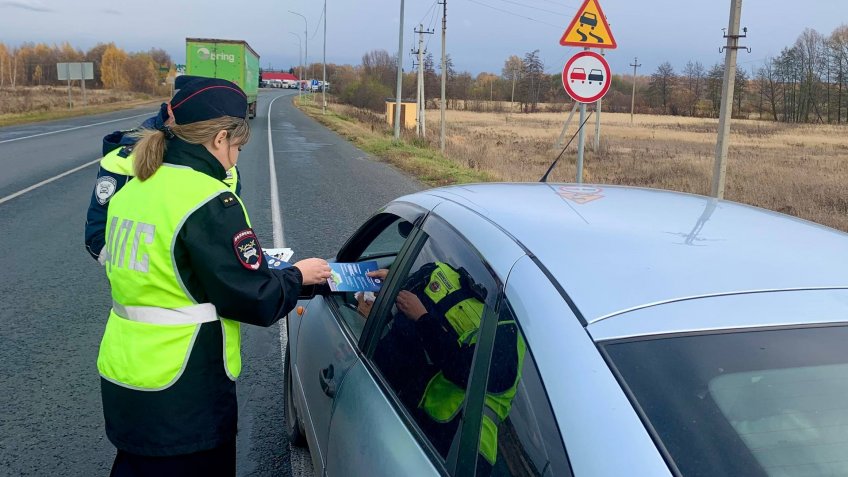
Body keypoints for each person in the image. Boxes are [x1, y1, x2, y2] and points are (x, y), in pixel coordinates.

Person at [96, 76, 331, 476]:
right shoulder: (208, 199)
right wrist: (297, 275)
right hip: (185, 389)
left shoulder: (134, 188)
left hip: (125, 377)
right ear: (220, 138)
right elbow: (252, 297)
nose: (236, 158)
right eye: (238, 147)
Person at [370, 262, 525, 474]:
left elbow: (466, 370)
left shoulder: (509, 330)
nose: (488, 268)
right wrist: (397, 282)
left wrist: (422, 319)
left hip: (467, 445)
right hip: (425, 422)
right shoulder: (465, 283)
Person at [84, 77, 241, 264]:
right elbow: (97, 236)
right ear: (169, 109)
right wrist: (148, 272)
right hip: (141, 285)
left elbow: (229, 229)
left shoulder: (223, 160)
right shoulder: (123, 160)